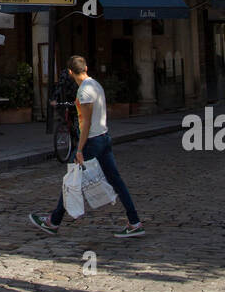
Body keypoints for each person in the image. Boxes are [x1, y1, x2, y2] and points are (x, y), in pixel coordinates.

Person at [29, 55, 144, 239]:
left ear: (69, 72)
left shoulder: (84, 92)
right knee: (116, 181)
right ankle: (135, 221)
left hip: (92, 141)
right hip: (104, 138)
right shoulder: (96, 85)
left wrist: (80, 149)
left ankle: (53, 221)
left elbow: (86, 123)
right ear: (86, 68)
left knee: (71, 180)